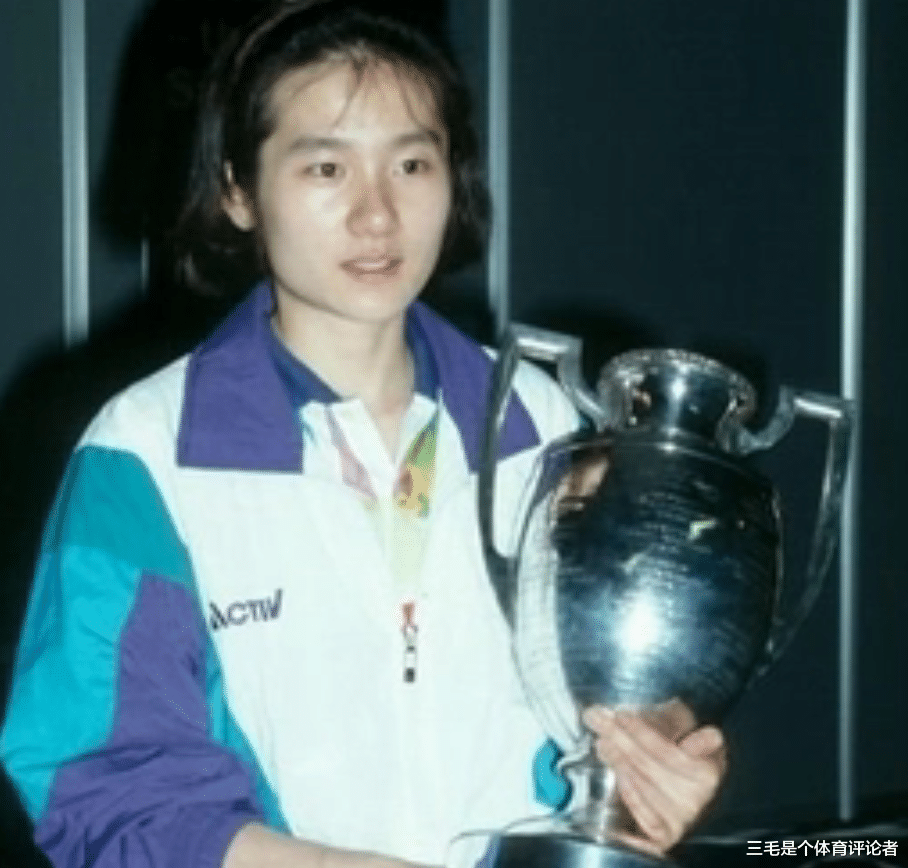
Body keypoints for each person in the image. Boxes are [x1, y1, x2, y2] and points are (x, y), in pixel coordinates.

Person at [0, 2, 727, 867]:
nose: (378, 215)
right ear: (238, 189)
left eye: (411, 163)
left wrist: (651, 767)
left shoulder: (542, 424)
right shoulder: (149, 451)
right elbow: (104, 789)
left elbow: (606, 703)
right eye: (326, 168)